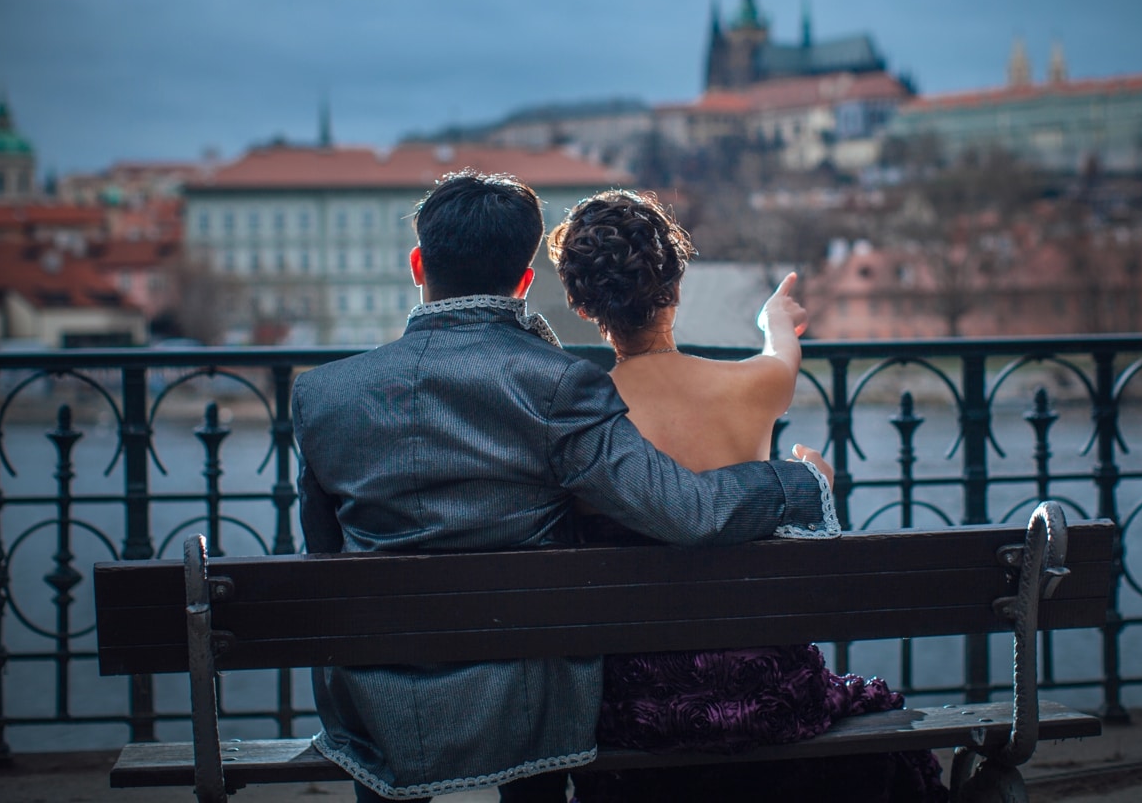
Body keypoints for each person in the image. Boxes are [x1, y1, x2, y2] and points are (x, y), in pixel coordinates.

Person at [294, 171, 842, 803]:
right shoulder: (558, 385)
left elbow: (323, 559)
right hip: (530, 708)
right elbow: (687, 512)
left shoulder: (322, 395)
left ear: (418, 263)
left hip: (376, 711)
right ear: (526, 280)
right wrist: (801, 484)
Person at [547, 189, 950, 803]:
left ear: (583, 305)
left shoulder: (587, 423)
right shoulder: (756, 386)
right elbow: (781, 355)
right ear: (675, 288)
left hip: (640, 706)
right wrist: (775, 321)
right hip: (772, 690)